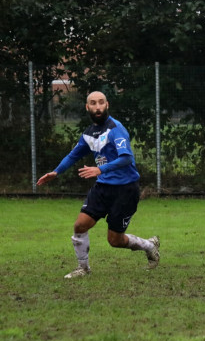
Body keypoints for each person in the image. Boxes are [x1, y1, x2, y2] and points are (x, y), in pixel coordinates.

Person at [36, 91, 159, 278]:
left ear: (107, 105)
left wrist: (100, 170)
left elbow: (126, 158)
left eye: (101, 102)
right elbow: (74, 155)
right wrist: (57, 171)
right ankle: (83, 268)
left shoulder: (115, 129)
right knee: (80, 225)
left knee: (115, 240)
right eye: (93, 103)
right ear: (87, 107)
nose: (98, 106)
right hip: (102, 188)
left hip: (125, 189)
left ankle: (149, 246)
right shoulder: (89, 134)